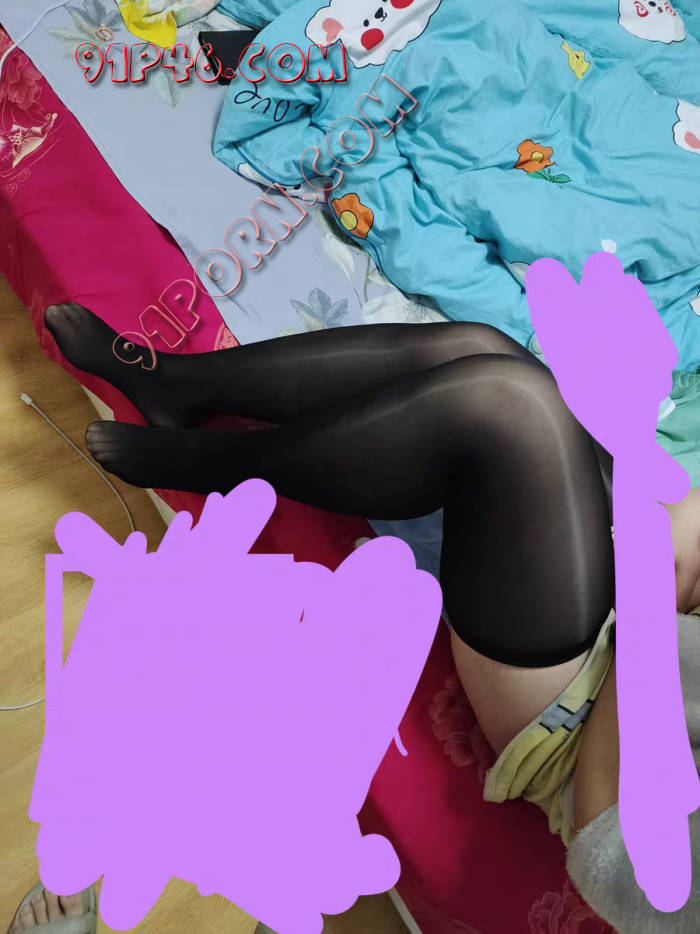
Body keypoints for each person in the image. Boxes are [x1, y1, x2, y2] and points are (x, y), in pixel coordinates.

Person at [23, 302, 700, 932]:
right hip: (650, 614)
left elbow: (614, 849)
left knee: (506, 406)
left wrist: (650, 615)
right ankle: (175, 383)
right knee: (478, 348)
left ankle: (207, 464)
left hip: (588, 721)